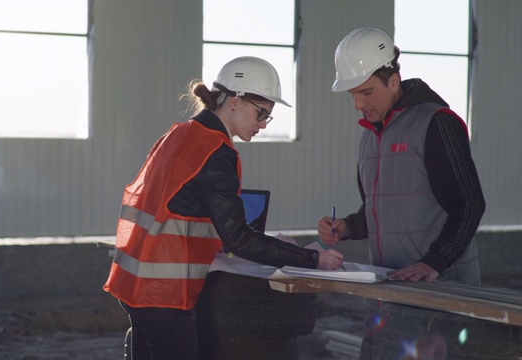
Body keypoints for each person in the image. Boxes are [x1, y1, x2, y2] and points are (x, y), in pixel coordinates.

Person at [103, 56, 344, 360]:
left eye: (267, 117)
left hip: (133, 284)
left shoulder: (179, 134)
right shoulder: (215, 151)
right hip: (163, 294)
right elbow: (239, 238)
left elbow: (175, 210)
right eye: (261, 113)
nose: (262, 124)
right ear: (234, 100)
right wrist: (313, 258)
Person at [319, 28, 486, 358]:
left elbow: (469, 202)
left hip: (439, 293)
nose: (357, 104)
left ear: (393, 80)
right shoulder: (370, 135)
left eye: (366, 92)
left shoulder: (437, 123)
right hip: (388, 290)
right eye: (352, 94)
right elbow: (379, 210)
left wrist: (434, 261)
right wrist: (348, 227)